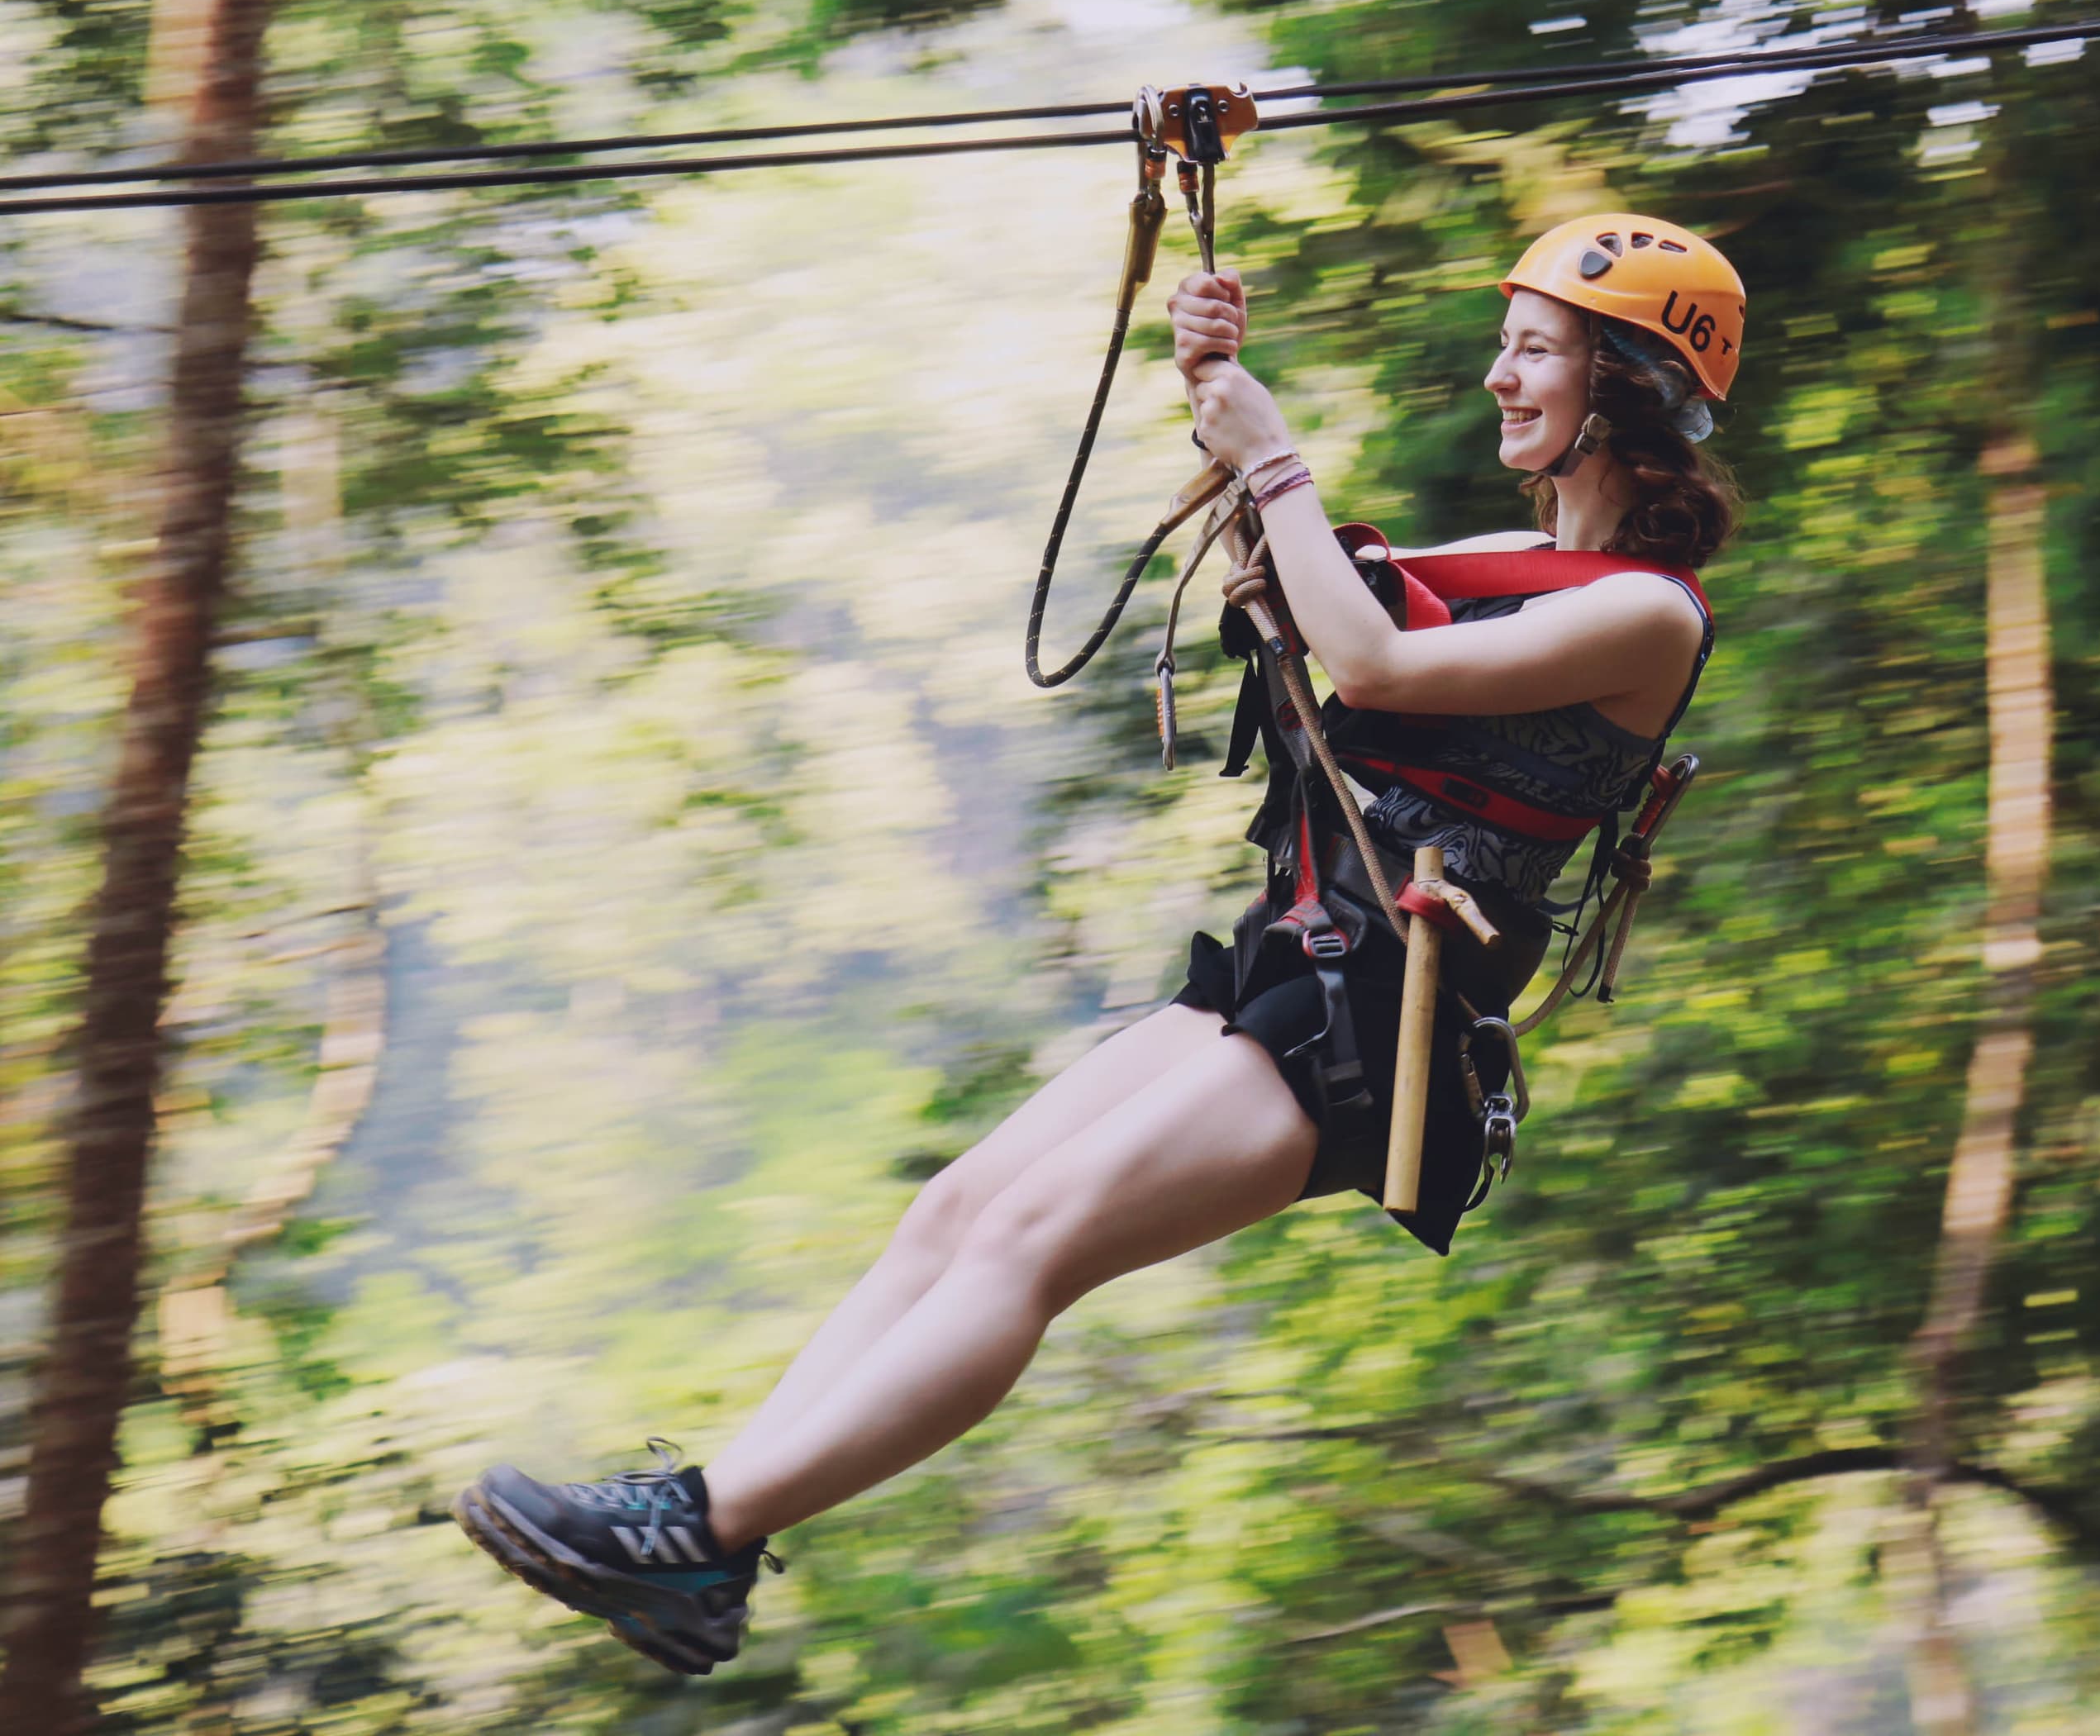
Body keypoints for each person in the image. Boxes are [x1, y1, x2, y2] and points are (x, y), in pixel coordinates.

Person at [450, 213, 1748, 1675]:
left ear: (1623, 389)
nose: (1502, 379)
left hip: (1381, 1022)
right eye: (1510, 348)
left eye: (1534, 352)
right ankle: (707, 1537)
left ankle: (700, 1527)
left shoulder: (1649, 617)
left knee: (1027, 1245)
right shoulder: (1521, 555)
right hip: (1301, 962)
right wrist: (1222, 391)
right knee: (955, 1209)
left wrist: (1273, 454)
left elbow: (1376, 658)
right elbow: (1326, 585)